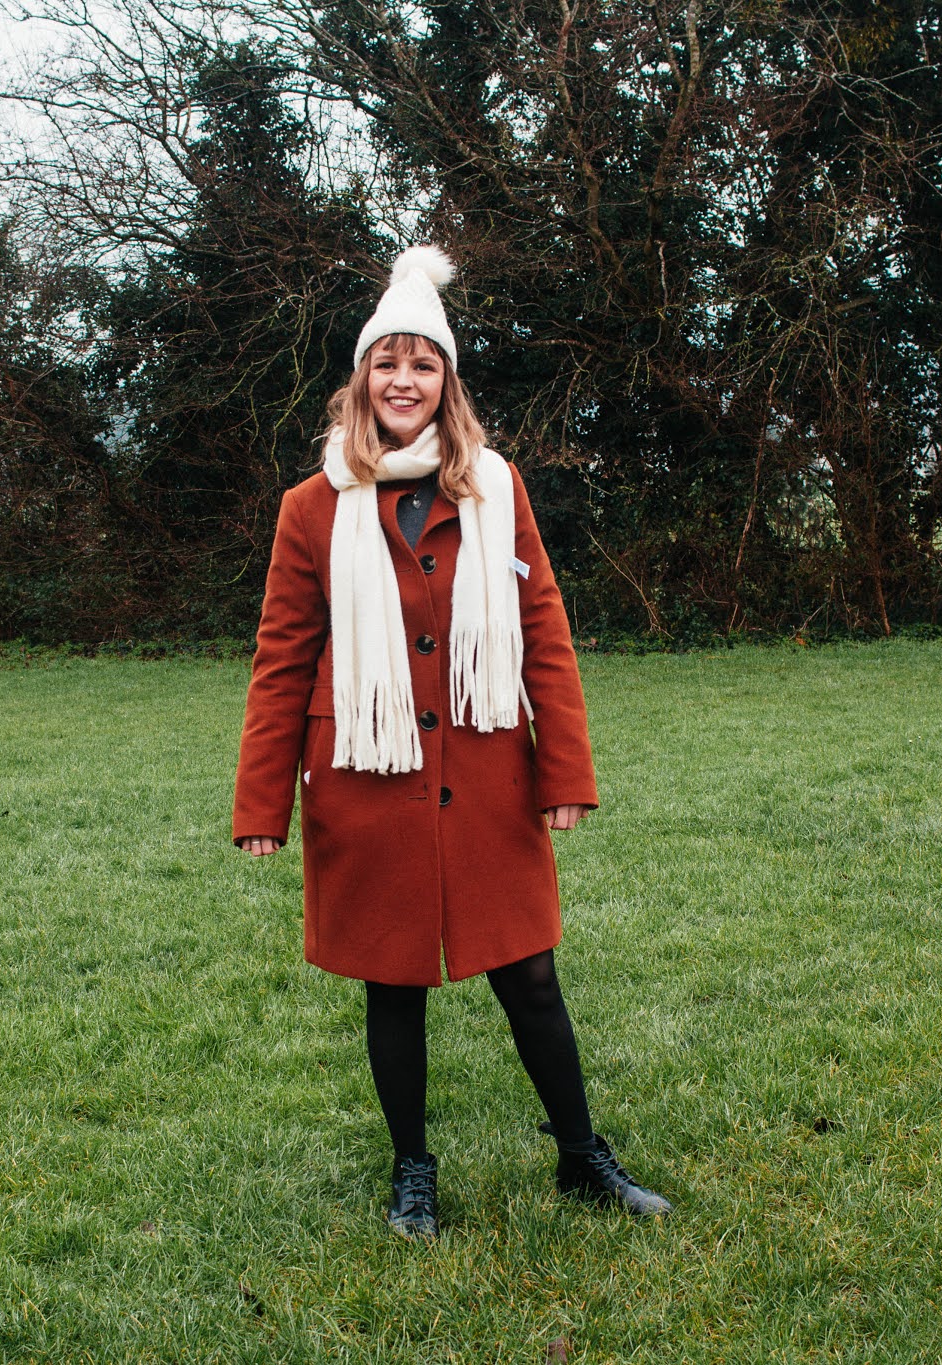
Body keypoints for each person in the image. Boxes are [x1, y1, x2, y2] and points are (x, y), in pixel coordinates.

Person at [231, 245, 669, 1241]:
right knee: (393, 982)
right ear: (360, 381)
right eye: (384, 363)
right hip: (365, 777)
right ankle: (411, 1173)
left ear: (446, 383)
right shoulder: (310, 509)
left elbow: (545, 637)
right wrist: (262, 802)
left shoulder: (497, 490)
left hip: (486, 774)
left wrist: (563, 772)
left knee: (530, 976)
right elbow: (280, 660)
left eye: (421, 364)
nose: (401, 381)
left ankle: (579, 1156)